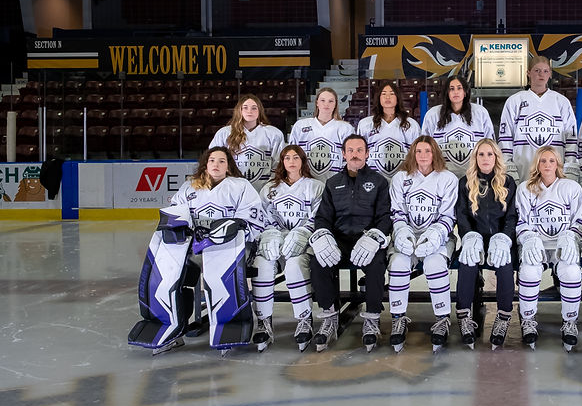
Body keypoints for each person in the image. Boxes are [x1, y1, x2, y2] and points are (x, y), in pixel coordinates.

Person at [128, 146, 263, 355]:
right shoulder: (190, 187)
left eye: (221, 161)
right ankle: (172, 325)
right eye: (212, 160)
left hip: (227, 246)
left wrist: (224, 233)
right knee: (167, 275)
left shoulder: (240, 186)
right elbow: (174, 213)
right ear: (205, 164)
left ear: (228, 166)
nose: (216, 164)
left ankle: (228, 323)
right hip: (192, 246)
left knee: (218, 278)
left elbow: (251, 219)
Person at [308, 133, 392, 352]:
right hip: (340, 240)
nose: (355, 155)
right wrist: (323, 235)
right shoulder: (333, 183)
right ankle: (329, 317)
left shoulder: (379, 182)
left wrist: (375, 236)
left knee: (376, 264)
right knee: (318, 262)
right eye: (351, 151)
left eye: (359, 150)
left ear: (367, 153)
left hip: (367, 239)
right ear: (344, 154)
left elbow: (385, 217)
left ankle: (372, 318)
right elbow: (323, 217)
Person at [388, 135, 459, 352]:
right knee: (398, 264)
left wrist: (436, 233)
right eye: (418, 151)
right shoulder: (400, 178)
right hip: (408, 236)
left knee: (434, 264)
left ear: (435, 153)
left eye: (428, 151)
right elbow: (397, 212)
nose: (423, 155)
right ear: (413, 153)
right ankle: (397, 318)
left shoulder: (448, 178)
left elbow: (448, 215)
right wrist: (401, 231)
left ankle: (442, 318)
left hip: (439, 236)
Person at [252, 145, 325, 352]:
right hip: (275, 240)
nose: (291, 162)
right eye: (287, 158)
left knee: (294, 267)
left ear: (303, 161)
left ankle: (304, 319)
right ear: (282, 162)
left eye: (295, 157)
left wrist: (303, 232)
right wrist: (270, 233)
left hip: (302, 242)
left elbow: (319, 217)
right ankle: (263, 321)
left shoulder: (315, 186)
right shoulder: (269, 189)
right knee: (261, 265)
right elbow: (261, 217)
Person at [515, 146, 582, 351]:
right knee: (528, 272)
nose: (547, 165)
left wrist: (571, 237)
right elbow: (520, 221)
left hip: (562, 247)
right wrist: (528, 238)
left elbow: (581, 221)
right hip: (536, 246)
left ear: (558, 164)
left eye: (551, 161)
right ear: (537, 164)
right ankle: (528, 319)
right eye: (543, 161)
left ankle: (570, 321)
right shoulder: (525, 188)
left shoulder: (571, 187)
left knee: (572, 272)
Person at [455, 138, 518, 350]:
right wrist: (468, 236)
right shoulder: (465, 182)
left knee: (505, 266)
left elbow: (512, 216)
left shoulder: (508, 182)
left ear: (496, 157)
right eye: (481, 154)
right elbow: (462, 215)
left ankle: (503, 317)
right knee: (467, 264)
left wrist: (505, 238)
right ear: (475, 157)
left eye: (490, 154)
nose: (485, 158)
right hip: (475, 238)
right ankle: (464, 316)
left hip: (500, 239)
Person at [499, 56, 578, 181]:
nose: (541, 74)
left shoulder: (561, 102)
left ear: (550, 74)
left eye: (545, 71)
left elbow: (571, 137)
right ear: (528, 73)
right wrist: (507, 165)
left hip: (555, 173)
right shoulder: (515, 101)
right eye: (537, 70)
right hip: (523, 169)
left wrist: (570, 165)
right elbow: (505, 137)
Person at [421, 75, 495, 178]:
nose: (455, 92)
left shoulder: (480, 112)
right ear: (447, 93)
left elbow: (490, 144)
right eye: (451, 89)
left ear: (465, 92)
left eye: (459, 88)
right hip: (443, 175)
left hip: (474, 175)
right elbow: (424, 146)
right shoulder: (433, 114)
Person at [209, 94, 285, 191]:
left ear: (260, 111)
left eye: (254, 108)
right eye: (245, 107)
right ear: (239, 110)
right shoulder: (224, 133)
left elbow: (278, 164)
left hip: (264, 189)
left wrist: (269, 187)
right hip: (232, 189)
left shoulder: (274, 134)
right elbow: (212, 160)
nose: (249, 111)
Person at [357, 81, 421, 181]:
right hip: (372, 178)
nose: (387, 97)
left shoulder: (411, 124)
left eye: (392, 94)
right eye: (383, 94)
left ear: (398, 98)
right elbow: (359, 153)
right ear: (378, 98)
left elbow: (417, 153)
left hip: (403, 178)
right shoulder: (365, 124)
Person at [288, 87, 355, 181]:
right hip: (305, 181)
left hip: (334, 182)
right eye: (323, 100)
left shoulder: (345, 128)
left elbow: (350, 158)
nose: (326, 104)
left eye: (330, 101)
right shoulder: (301, 125)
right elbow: (291, 154)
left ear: (335, 104)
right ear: (317, 103)